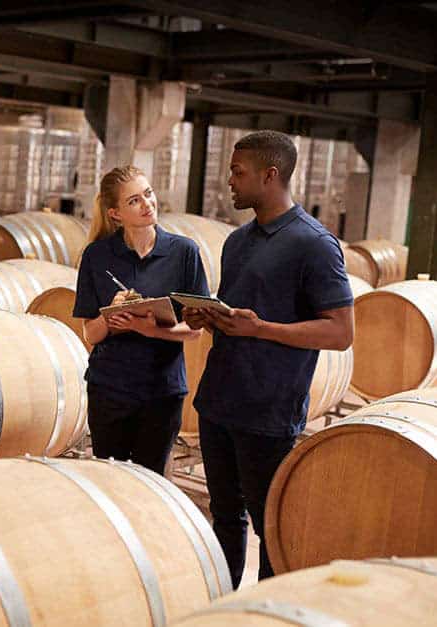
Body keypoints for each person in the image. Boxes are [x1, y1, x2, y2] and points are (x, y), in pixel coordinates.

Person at [183, 131, 354, 588]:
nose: (230, 182)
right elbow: (242, 312)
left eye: (238, 173)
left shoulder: (314, 243)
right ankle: (226, 607)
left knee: (271, 526)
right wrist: (210, 317)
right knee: (223, 516)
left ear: (270, 174)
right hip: (219, 402)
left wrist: (263, 329)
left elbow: (340, 331)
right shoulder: (238, 241)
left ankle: (268, 610)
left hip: (269, 411)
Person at [73, 165, 209, 475]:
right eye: (134, 200)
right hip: (109, 389)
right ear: (115, 214)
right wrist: (111, 313)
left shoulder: (184, 253)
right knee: (109, 481)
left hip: (161, 391)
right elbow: (91, 334)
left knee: (152, 484)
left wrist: (147, 328)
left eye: (148, 194)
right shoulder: (97, 256)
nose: (147, 204)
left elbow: (195, 331)